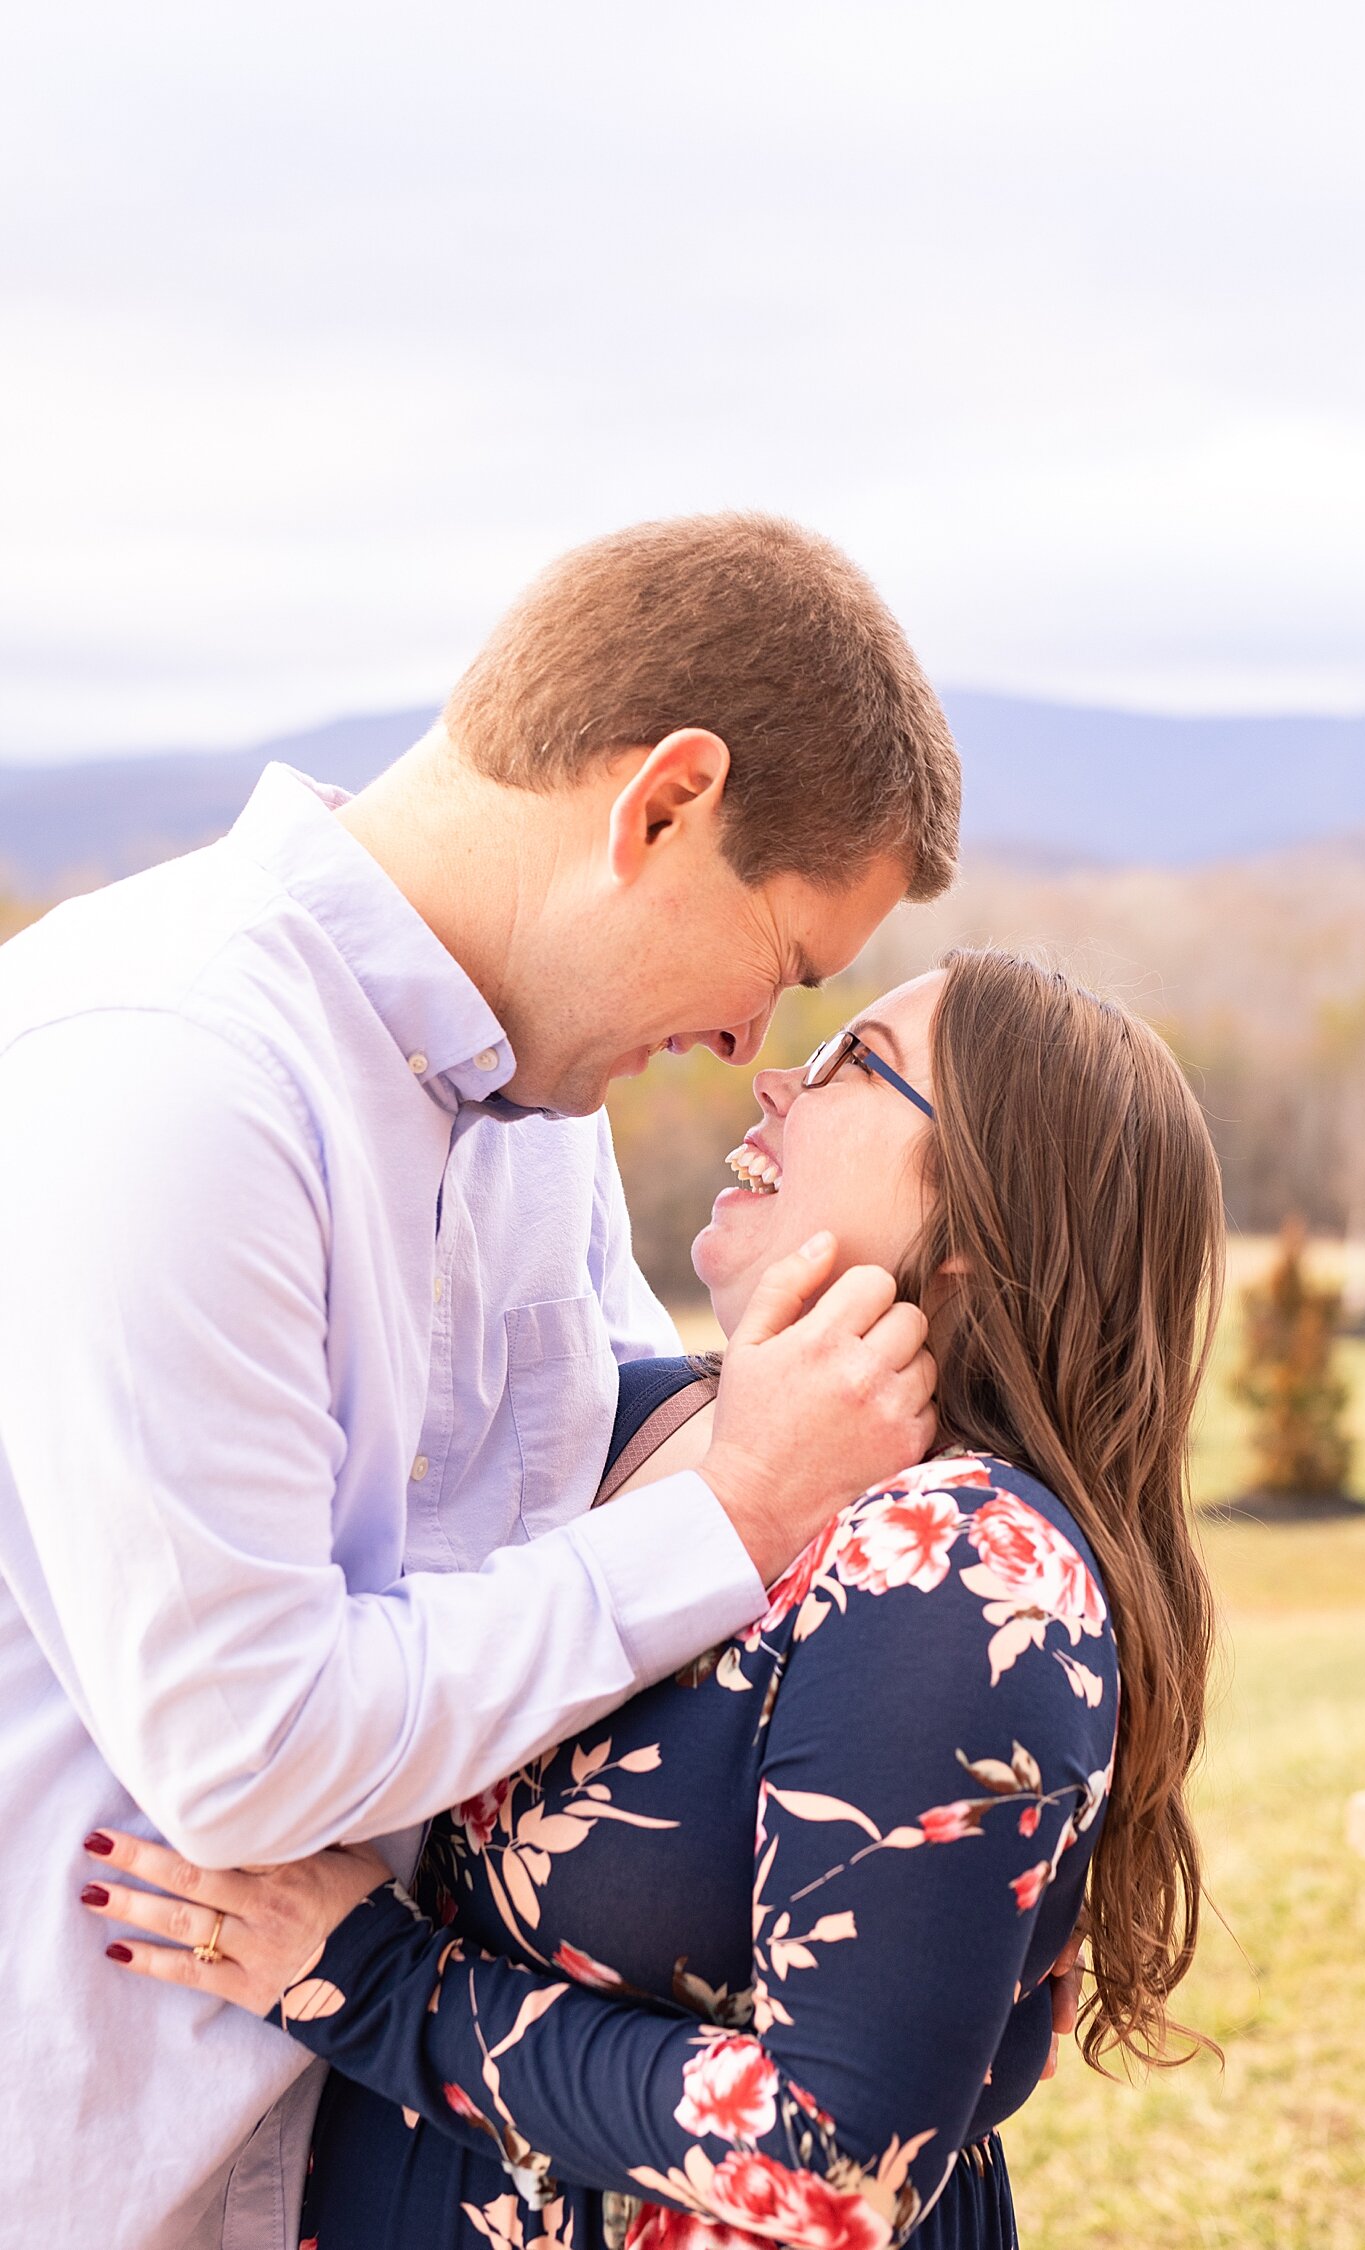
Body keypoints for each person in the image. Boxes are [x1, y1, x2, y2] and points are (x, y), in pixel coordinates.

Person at [0, 513, 963, 2248]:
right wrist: (742, 1500)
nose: (756, 1040)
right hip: (110, 2160)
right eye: (788, 958)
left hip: (384, 2131)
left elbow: (579, 1522)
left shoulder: (532, 1106)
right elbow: (248, 1746)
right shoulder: (171, 1075)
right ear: (661, 805)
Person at [88, 950, 1226, 2250]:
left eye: (856, 1062)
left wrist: (362, 1977)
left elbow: (835, 2158)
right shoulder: (630, 1420)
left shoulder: (962, 1566)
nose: (779, 1076)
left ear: (980, 1226)